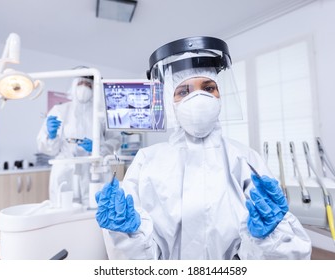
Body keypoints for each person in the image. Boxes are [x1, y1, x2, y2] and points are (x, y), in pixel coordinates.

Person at [95, 37, 312, 259]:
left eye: (208, 88)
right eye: (184, 91)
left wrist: (272, 239)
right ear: (170, 102)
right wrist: (125, 236)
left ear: (219, 95)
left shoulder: (244, 159)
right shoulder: (146, 162)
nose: (199, 98)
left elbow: (282, 260)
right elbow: (137, 261)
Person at [37, 74, 121, 208]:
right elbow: (48, 149)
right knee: (64, 212)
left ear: (94, 89)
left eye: (88, 85)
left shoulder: (102, 114)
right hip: (66, 170)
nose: (84, 88)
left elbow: (116, 139)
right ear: (74, 85)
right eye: (81, 83)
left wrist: (97, 148)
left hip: (95, 169)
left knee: (97, 211)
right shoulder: (60, 110)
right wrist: (51, 136)